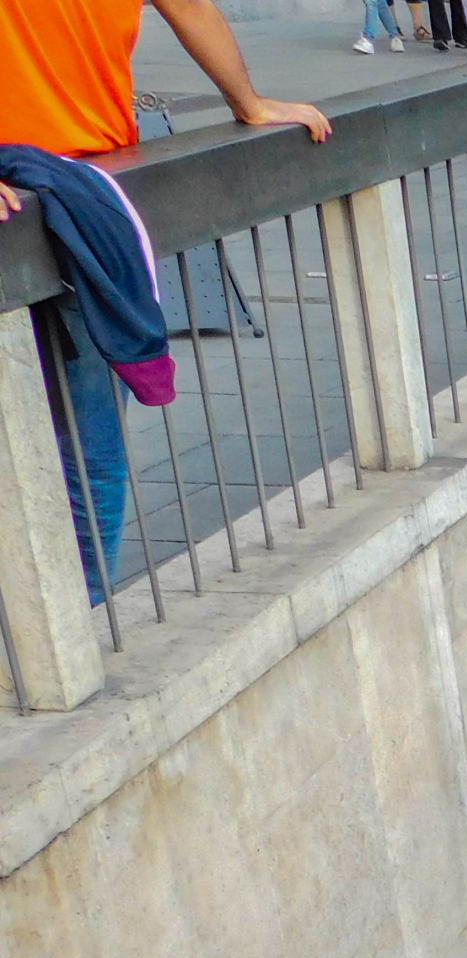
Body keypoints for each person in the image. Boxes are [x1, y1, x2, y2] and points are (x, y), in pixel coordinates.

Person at [0, 0, 329, 603]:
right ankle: (76, 631)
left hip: (76, 205)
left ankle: (69, 629)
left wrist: (249, 103)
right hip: (82, 206)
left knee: (85, 446)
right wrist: (247, 103)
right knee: (88, 447)